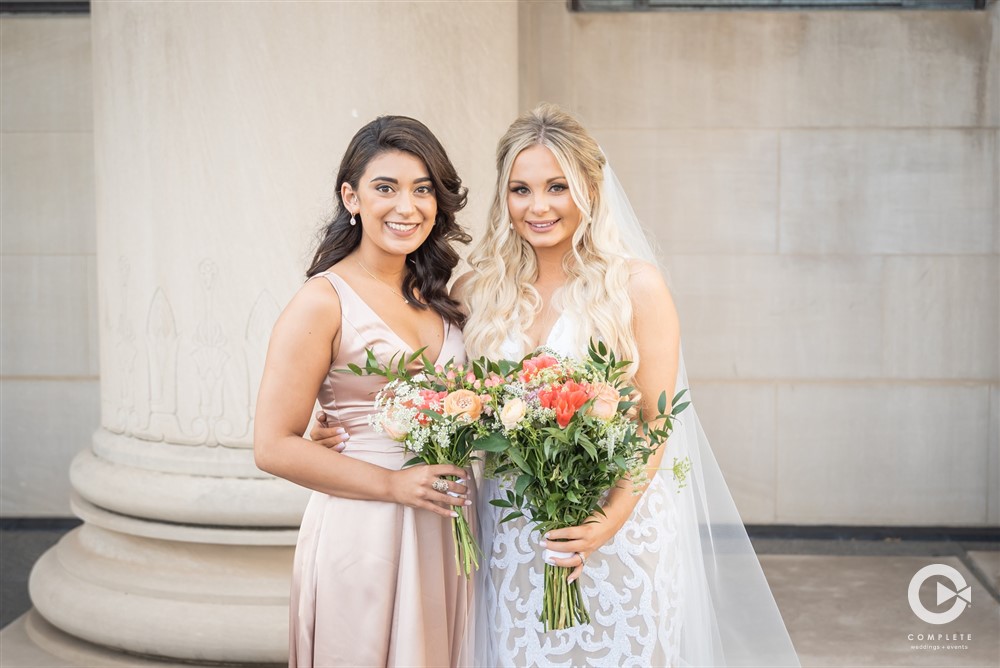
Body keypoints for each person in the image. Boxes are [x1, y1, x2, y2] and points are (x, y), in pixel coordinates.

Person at [456, 104, 800, 666]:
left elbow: (655, 420)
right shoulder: (479, 289)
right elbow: (443, 387)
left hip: (617, 526)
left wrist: (603, 524)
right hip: (515, 529)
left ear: (590, 188)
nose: (537, 207)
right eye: (521, 189)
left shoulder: (635, 287)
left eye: (557, 187)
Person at [254, 115, 475, 667]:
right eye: (386, 188)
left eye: (423, 189)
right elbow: (272, 445)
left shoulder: (440, 294)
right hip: (366, 531)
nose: (408, 207)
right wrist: (393, 484)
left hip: (447, 530)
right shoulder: (322, 301)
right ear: (350, 197)